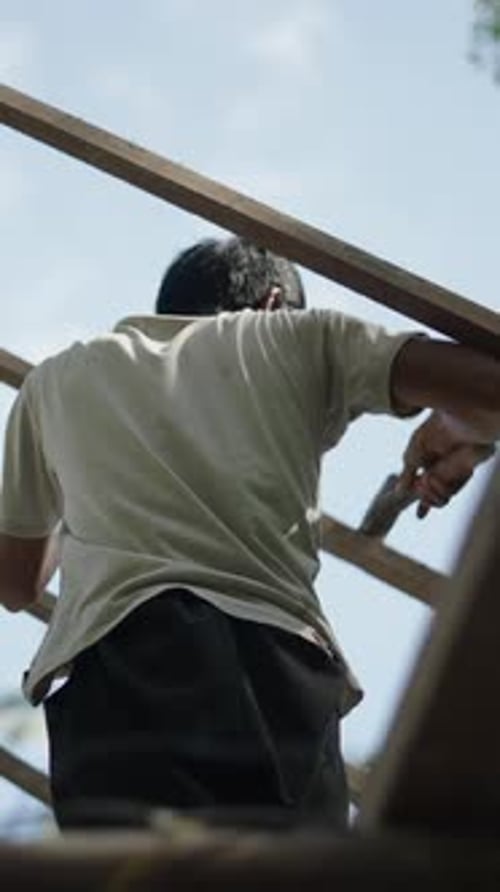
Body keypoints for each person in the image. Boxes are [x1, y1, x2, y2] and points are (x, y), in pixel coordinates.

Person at [0, 237, 497, 830]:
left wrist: (85, 483)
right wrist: (463, 431)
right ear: (273, 302)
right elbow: (489, 384)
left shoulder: (56, 381)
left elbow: (16, 584)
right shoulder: (292, 336)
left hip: (113, 685)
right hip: (272, 676)